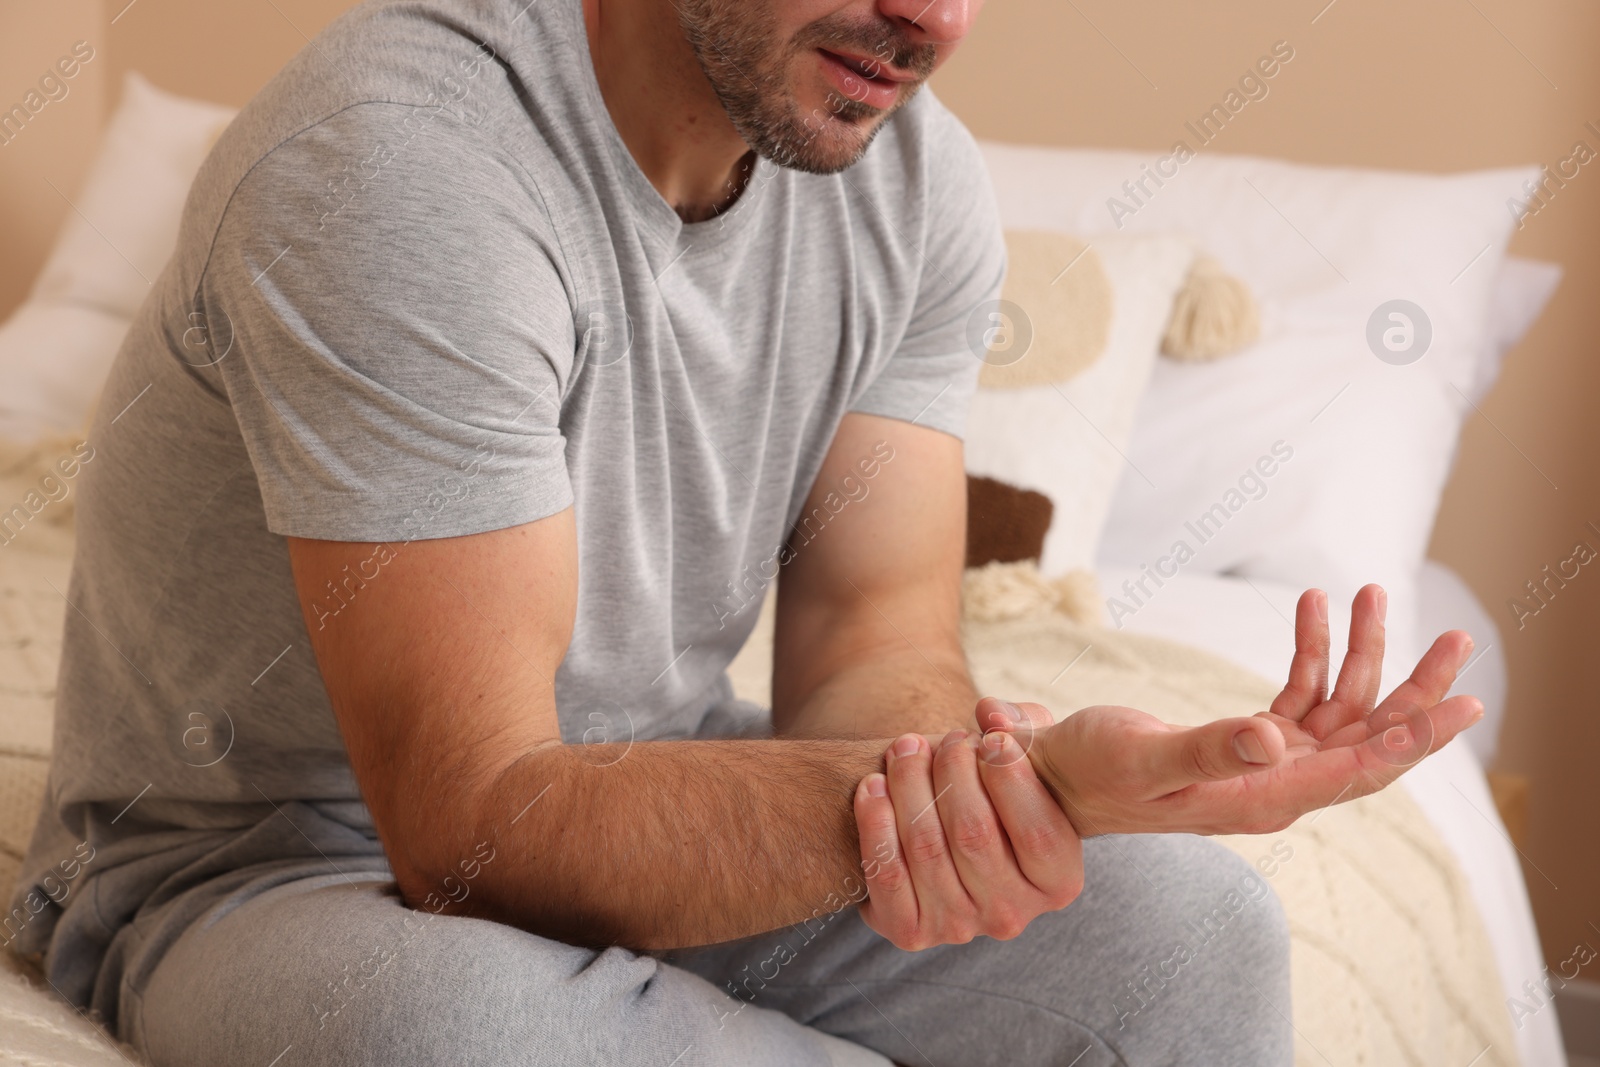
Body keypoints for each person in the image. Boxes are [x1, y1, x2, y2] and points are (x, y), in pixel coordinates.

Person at [6, 0, 1483, 1063]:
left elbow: (873, 650)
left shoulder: (915, 186)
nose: (937, 21)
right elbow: (472, 834)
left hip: (653, 772)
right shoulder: (402, 161)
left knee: (1195, 935)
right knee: (460, 1029)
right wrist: (1022, 785)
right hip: (274, 869)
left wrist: (968, 793)